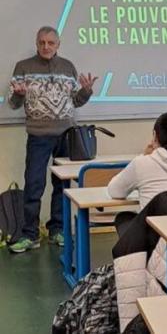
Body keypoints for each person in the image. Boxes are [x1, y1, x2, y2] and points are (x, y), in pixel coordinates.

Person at [8, 26, 98, 253]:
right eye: (42, 42)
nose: (46, 46)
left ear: (58, 45)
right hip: (38, 136)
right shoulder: (23, 67)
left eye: (51, 43)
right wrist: (18, 94)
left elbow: (76, 101)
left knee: (62, 185)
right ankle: (30, 234)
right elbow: (13, 103)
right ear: (36, 43)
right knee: (34, 184)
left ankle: (57, 230)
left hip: (65, 136)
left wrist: (86, 91)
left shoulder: (68, 67)